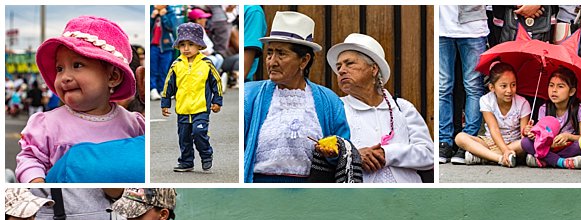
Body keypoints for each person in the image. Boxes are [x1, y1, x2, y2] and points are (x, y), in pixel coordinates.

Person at [16, 16, 144, 183]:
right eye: (59, 68)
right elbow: (29, 159)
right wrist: (36, 182)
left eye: (77, 65)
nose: (65, 77)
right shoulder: (46, 124)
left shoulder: (134, 124)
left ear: (113, 76)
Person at [243, 11, 350, 183]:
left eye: (281, 54)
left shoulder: (328, 101)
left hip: (310, 197)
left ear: (304, 61)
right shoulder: (249, 95)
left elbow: (343, 151)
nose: (272, 61)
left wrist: (332, 153)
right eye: (269, 53)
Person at [327, 33, 434, 182]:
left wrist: (387, 153)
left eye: (349, 63)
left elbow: (428, 154)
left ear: (374, 69)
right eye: (339, 66)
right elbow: (323, 151)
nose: (341, 70)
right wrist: (354, 156)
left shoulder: (402, 107)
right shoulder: (335, 107)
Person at [161, 22, 223, 173]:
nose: (186, 48)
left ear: (200, 46)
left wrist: (217, 101)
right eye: (182, 44)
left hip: (201, 108)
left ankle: (206, 154)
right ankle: (186, 161)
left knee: (199, 132)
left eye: (190, 44)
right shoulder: (176, 64)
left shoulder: (206, 64)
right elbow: (169, 84)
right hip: (182, 108)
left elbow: (217, 83)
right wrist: (166, 102)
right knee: (184, 138)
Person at [438, 5, 490, 164]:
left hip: (473, 26)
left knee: (473, 86)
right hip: (441, 27)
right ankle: (444, 142)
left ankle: (468, 140)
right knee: (443, 87)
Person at [454, 62, 531, 167]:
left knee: (527, 142)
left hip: (513, 143)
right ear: (492, 87)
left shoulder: (523, 103)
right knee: (460, 137)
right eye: (503, 86)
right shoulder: (486, 100)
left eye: (513, 85)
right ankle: (499, 158)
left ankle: (484, 156)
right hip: (490, 142)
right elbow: (493, 129)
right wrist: (504, 150)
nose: (509, 90)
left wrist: (527, 132)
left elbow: (523, 136)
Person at [522, 67, 581, 169]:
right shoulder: (544, 108)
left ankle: (544, 160)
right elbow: (540, 134)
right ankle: (562, 162)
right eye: (551, 85)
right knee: (525, 142)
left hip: (566, 146)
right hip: (548, 146)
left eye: (560, 86)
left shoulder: (579, 109)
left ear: (572, 91)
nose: (554, 90)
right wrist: (531, 132)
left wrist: (569, 136)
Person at [150, 6, 178, 101]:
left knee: (164, 69)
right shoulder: (150, 9)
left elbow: (172, 27)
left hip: (166, 46)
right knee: (153, 69)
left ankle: (163, 89)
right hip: (153, 45)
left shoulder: (170, 12)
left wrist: (164, 16)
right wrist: (152, 17)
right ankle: (153, 89)